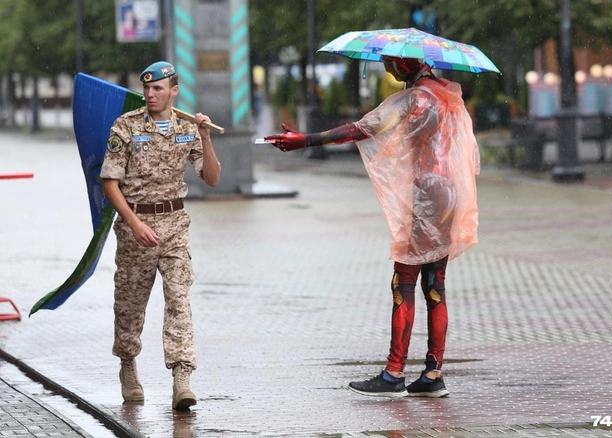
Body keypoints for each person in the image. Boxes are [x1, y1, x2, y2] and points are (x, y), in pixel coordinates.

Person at [265, 55, 479, 398]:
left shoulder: (414, 98)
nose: (387, 70)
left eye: (391, 64)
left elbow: (363, 128)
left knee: (404, 281)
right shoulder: (447, 95)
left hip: (425, 195)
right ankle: (433, 373)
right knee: (435, 285)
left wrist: (305, 140)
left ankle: (394, 373)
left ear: (405, 64)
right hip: (449, 192)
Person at [100, 61, 221, 409]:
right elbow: (110, 182)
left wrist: (206, 137)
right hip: (135, 226)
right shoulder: (126, 126)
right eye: (147, 89)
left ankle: (182, 378)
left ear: (174, 90)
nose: (151, 95)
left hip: (175, 225)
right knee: (129, 306)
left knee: (179, 299)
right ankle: (127, 364)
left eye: (158, 89)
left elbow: (211, 178)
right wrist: (135, 225)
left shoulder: (188, 129)